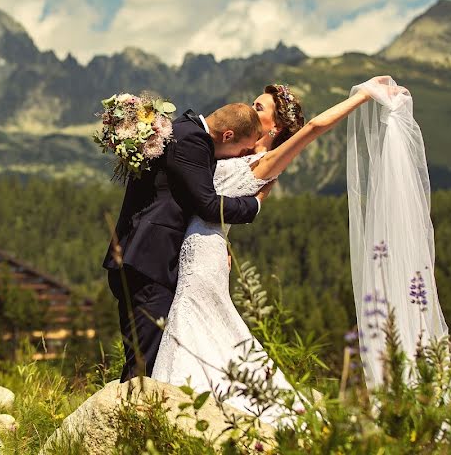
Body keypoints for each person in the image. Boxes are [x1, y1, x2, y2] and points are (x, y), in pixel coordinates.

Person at [152, 77, 401, 425]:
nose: (250, 109)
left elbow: (315, 126)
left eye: (259, 108)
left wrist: (363, 96)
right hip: (198, 245)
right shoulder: (241, 152)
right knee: (205, 322)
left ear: (276, 126)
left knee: (192, 318)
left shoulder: (271, 160)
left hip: (202, 250)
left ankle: (188, 406)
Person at [103, 102, 273, 382]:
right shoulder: (194, 140)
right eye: (243, 149)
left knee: (145, 357)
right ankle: (132, 421)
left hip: (141, 258)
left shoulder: (182, 128)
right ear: (228, 136)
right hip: (149, 261)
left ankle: (135, 417)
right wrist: (253, 205)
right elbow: (207, 205)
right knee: (145, 364)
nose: (242, 155)